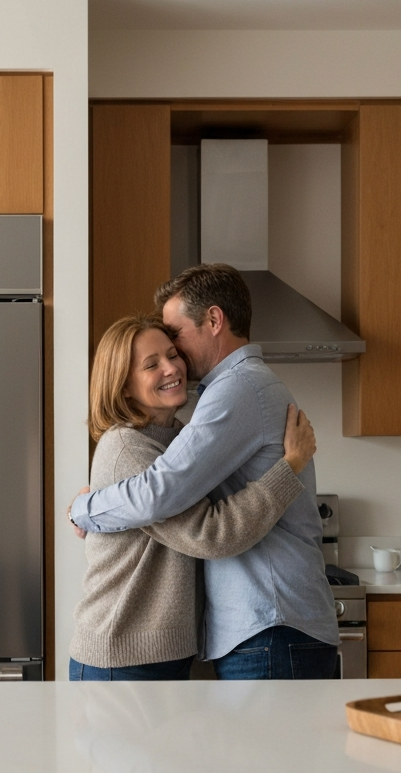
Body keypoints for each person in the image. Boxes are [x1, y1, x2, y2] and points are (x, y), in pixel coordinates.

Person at [69, 265, 339, 680]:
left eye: (174, 341)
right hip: (133, 651)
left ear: (213, 320)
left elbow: (166, 494)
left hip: (269, 620)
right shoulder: (135, 442)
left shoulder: (235, 391)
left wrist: (85, 509)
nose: (173, 362)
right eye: (152, 362)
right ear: (123, 383)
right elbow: (179, 505)